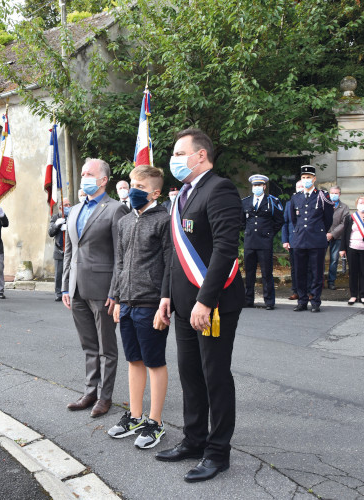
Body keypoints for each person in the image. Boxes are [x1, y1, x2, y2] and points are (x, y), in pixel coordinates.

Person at [155, 129, 244, 483]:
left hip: (213, 304)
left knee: (214, 376)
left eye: (180, 152)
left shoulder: (219, 189)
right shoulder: (183, 195)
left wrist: (205, 301)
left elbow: (225, 249)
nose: (174, 159)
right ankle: (194, 440)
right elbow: (176, 255)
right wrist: (167, 295)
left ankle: (217, 452)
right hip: (182, 303)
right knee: (190, 374)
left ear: (201, 155)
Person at [108, 165, 172, 449]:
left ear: (155, 192)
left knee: (155, 362)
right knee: (134, 360)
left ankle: (155, 421)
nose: (133, 191)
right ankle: (134, 416)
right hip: (127, 303)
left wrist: (164, 304)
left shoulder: (164, 220)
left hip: (151, 303)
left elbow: (171, 265)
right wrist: (116, 298)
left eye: (141, 187)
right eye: (132, 184)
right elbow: (119, 264)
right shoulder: (123, 222)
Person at [62, 158, 130, 418]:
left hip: (103, 289)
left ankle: (105, 396)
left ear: (103, 180)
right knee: (88, 345)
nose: (84, 177)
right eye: (82, 173)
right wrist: (66, 286)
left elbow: (119, 255)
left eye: (89, 173)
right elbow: (70, 250)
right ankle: (90, 391)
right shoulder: (76, 209)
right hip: (76, 288)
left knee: (106, 347)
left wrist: (115, 292)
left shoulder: (115, 210)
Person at [289, 165, 334, 313]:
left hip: (316, 239)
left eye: (308, 177)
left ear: (314, 179)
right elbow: (294, 220)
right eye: (303, 177)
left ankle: (315, 301)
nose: (306, 180)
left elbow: (328, 219)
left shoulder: (322, 196)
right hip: (300, 239)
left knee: (316, 272)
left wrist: (319, 231)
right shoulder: (296, 197)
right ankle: (302, 301)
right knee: (300, 272)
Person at [240, 174, 283, 310]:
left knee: (266, 273)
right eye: (254, 185)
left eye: (259, 185)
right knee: (249, 272)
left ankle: (269, 301)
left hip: (264, 242)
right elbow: (241, 221)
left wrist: (269, 234)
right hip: (250, 241)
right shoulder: (245, 202)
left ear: (264, 186)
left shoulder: (272, 201)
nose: (256, 188)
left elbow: (279, 221)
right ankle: (248, 300)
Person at [340, 195, 364, 305]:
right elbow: (345, 234)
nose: (362, 205)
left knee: (363, 272)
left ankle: (363, 295)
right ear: (356, 205)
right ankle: (353, 295)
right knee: (353, 272)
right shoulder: (350, 218)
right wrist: (342, 248)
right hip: (352, 248)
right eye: (360, 203)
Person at [282, 181, 305, 300]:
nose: (300, 188)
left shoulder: (310, 203)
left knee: (308, 267)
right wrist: (285, 240)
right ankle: (296, 291)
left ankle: (309, 291)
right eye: (298, 187)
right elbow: (285, 223)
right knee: (295, 267)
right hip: (293, 240)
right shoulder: (289, 203)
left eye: (302, 186)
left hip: (306, 241)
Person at [326, 186, 349, 290]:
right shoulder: (324, 204)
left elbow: (344, 223)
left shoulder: (344, 207)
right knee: (319, 259)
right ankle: (319, 282)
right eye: (332, 193)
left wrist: (332, 234)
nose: (334, 195)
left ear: (339, 194)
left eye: (336, 193)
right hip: (323, 236)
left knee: (334, 260)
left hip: (337, 237)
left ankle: (331, 281)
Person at [48, 198, 71, 302]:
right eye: (66, 205)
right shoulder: (55, 217)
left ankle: (69, 292)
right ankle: (58, 293)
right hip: (59, 249)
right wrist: (57, 225)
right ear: (61, 207)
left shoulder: (72, 216)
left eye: (69, 205)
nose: (68, 207)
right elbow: (51, 232)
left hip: (70, 250)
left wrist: (68, 227)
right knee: (59, 273)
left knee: (70, 273)